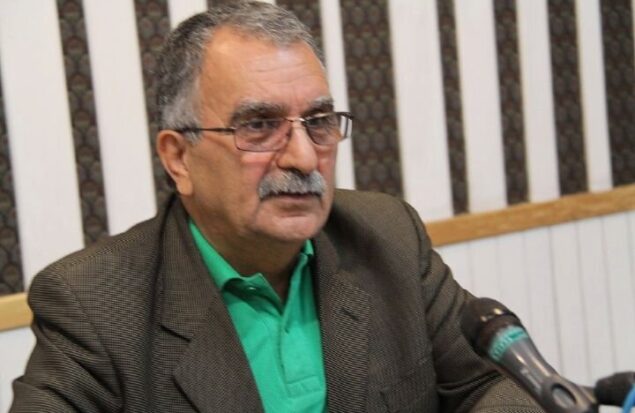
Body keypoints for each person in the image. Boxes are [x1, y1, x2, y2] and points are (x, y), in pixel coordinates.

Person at [11, 2, 543, 412]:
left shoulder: (387, 236)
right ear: (179, 158)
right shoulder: (94, 303)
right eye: (259, 126)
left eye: (319, 121)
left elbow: (488, 385)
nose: (304, 157)